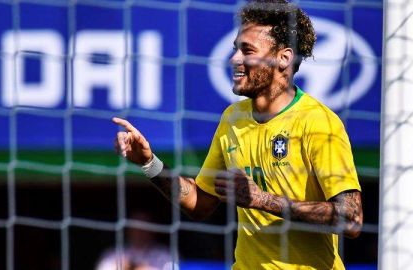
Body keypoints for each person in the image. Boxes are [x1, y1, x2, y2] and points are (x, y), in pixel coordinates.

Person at [113, 0, 363, 269]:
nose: (234, 59)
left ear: (284, 58)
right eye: (235, 49)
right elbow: (199, 203)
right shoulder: (232, 118)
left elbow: (351, 219)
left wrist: (262, 200)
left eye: (247, 50)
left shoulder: (318, 121)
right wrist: (149, 163)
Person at [95, 210, 173, 270]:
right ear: (128, 229)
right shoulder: (113, 254)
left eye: (144, 226)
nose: (139, 232)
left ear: (153, 230)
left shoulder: (163, 254)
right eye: (135, 227)